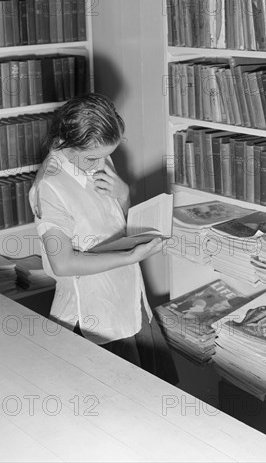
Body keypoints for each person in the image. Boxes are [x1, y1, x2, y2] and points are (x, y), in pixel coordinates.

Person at [29, 94, 178, 384]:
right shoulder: (50, 186)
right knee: (114, 410)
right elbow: (62, 263)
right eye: (92, 158)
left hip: (129, 300)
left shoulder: (95, 156)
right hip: (94, 317)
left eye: (107, 154)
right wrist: (130, 256)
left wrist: (124, 195)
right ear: (64, 142)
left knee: (155, 396)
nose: (101, 163)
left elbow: (115, 221)